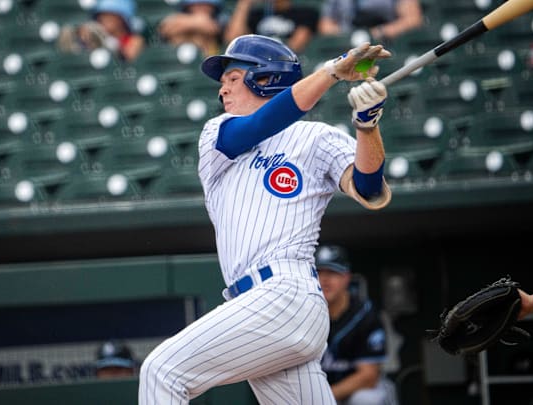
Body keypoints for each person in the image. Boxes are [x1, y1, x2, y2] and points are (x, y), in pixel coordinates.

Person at [139, 34, 393, 404]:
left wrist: (367, 127)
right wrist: (331, 74)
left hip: (285, 293)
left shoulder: (316, 138)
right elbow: (263, 124)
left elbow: (369, 188)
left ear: (266, 77)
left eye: (232, 78)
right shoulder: (217, 134)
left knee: (162, 371)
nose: (221, 90)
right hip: (256, 307)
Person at [315, 244, 399, 405]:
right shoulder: (302, 315)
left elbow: (368, 377)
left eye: (332, 272)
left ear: (346, 277)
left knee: (366, 400)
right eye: (319, 272)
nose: (324, 279)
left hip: (356, 391)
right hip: (321, 395)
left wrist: (324, 397)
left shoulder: (365, 314)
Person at [57, 0, 145, 62]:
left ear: (122, 18)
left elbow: (130, 56)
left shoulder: (133, 40)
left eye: (109, 13)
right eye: (101, 14)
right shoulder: (91, 35)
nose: (103, 18)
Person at [224, 0, 320, 53]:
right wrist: (244, 4)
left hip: (285, 60)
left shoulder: (305, 13)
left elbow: (296, 45)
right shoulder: (256, 15)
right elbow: (233, 39)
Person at [317, 0, 423, 43]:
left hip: (386, 43)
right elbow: (325, 25)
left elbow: (413, 19)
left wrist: (384, 31)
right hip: (350, 47)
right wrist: (348, 34)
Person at [157, 0, 226, 57]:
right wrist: (197, 22)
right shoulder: (176, 19)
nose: (201, 6)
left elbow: (213, 29)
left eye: (205, 4)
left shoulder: (222, 19)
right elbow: (165, 29)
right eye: (197, 4)